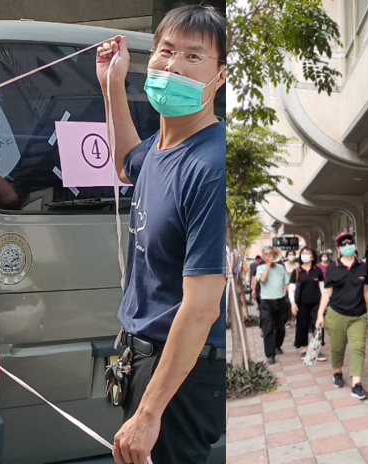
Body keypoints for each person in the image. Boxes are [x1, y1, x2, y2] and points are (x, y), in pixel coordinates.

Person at [98, 5, 226, 463]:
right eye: (166, 51)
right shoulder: (160, 147)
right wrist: (113, 85)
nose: (173, 66)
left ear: (220, 76)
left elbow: (201, 308)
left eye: (193, 57)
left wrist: (150, 412)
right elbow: (126, 162)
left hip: (182, 377)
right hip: (144, 359)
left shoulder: (211, 167)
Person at [315, 232, 368, 399]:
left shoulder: (363, 266)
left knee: (358, 348)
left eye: (350, 242)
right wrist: (320, 315)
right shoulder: (332, 267)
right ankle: (337, 372)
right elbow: (326, 293)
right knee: (337, 347)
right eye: (344, 244)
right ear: (338, 249)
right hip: (336, 314)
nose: (348, 246)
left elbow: (366, 290)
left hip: (358, 315)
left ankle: (356, 385)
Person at [291, 247, 326, 362]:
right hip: (302, 304)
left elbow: (322, 288)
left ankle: (316, 350)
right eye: (303, 253)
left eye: (308, 253)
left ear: (313, 256)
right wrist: (292, 303)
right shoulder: (296, 271)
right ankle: (304, 349)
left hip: (316, 303)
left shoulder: (318, 271)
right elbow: (292, 289)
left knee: (318, 326)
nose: (305, 255)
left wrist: (323, 304)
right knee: (302, 326)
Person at [257, 246, 289, 364]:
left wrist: (290, 294)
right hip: (266, 302)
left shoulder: (281, 268)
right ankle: (270, 354)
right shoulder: (260, 268)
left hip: (280, 301)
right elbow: (263, 280)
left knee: (280, 327)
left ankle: (277, 345)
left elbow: (286, 283)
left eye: (271, 253)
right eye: (266, 254)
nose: (269, 256)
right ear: (263, 257)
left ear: (275, 255)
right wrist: (268, 266)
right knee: (268, 328)